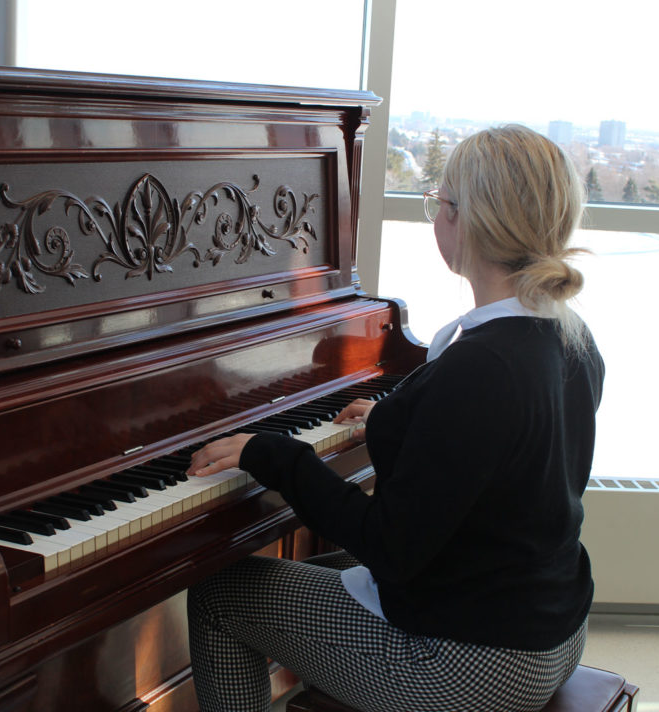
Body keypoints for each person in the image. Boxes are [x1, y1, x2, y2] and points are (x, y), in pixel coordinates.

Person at [185, 124, 605, 712]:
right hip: (552, 626)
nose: (436, 215)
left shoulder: (481, 371)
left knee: (219, 590)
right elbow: (493, 459)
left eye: (440, 202)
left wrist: (274, 455)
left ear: (468, 221)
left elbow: (390, 549)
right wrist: (393, 418)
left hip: (477, 663)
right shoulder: (568, 336)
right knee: (313, 569)